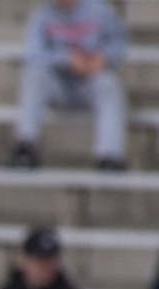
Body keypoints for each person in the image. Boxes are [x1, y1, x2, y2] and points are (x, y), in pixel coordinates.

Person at [8, 0, 129, 171]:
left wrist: (103, 58)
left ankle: (110, 155)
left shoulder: (101, 10)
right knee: (33, 75)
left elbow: (119, 45)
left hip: (90, 83)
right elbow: (32, 54)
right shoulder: (41, 15)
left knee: (109, 84)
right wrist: (67, 59)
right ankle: (26, 146)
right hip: (57, 86)